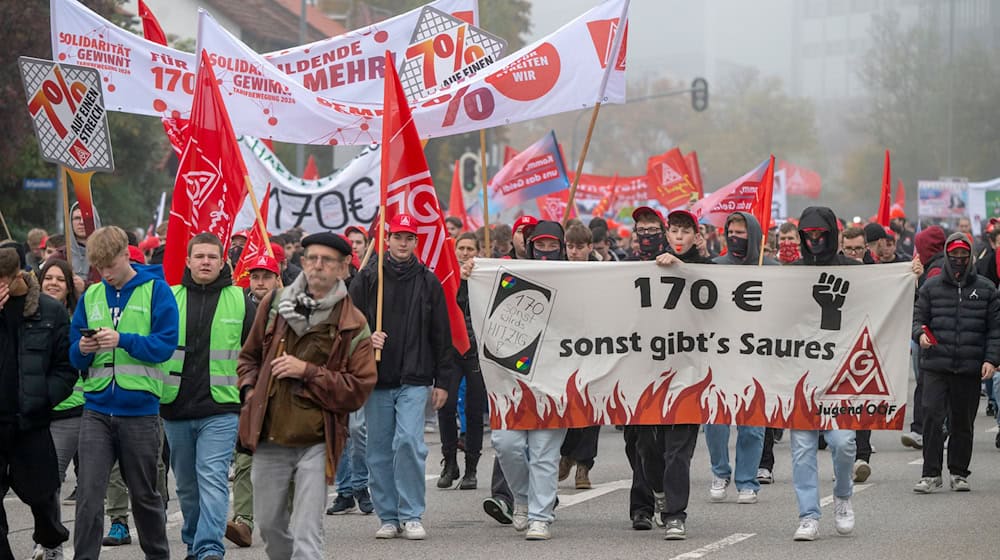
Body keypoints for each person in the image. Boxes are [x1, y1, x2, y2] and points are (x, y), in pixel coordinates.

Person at [238, 231, 377, 558]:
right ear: (302, 263)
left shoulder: (353, 323)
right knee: (270, 525)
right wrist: (249, 392)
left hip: (317, 439)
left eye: (327, 261)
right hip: (269, 433)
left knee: (306, 532)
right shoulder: (275, 304)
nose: (318, 266)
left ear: (344, 268)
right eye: (312, 258)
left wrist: (308, 371)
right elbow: (248, 357)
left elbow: (359, 388)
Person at [69, 225, 178, 560]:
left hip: (141, 411)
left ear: (124, 255)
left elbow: (165, 345)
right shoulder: (91, 295)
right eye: (98, 268)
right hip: (97, 409)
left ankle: (157, 556)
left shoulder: (157, 291)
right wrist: (84, 347)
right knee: (88, 495)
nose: (105, 274)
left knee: (145, 495)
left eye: (109, 266)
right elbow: (72, 353)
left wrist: (123, 340)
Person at [349, 214, 457, 540]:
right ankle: (388, 515)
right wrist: (367, 338)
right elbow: (347, 328)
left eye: (409, 237)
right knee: (379, 450)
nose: (402, 243)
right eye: (398, 236)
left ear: (415, 242)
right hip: (378, 378)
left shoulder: (428, 281)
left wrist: (444, 381)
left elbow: (442, 333)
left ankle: (411, 514)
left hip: (415, 377)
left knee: (409, 441)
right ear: (387, 239)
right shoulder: (367, 279)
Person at [160, 233, 252, 560]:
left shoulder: (242, 300)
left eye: (212, 257)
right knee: (187, 487)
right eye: (199, 256)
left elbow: (256, 353)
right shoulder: (169, 298)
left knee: (211, 479)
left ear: (223, 261)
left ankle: (209, 549)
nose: (205, 262)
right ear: (187, 261)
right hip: (175, 407)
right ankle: (192, 543)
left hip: (222, 408)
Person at [491, 220, 569, 541]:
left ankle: (540, 516)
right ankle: (522, 498)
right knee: (505, 443)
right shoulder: (508, 273)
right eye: (542, 245)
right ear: (531, 245)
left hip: (556, 376)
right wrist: (471, 275)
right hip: (513, 375)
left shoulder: (577, 278)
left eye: (553, 246)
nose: (547, 252)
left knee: (544, 451)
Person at [786, 207, 857, 541]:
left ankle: (842, 496)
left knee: (843, 443)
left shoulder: (856, 272)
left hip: (842, 373)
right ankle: (808, 515)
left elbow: (886, 297)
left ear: (831, 233)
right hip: (801, 374)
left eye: (820, 235)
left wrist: (910, 275)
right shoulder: (791, 273)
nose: (814, 241)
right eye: (808, 235)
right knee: (801, 449)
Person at [0, 248, 76, 560]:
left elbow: (66, 367)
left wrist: (43, 397)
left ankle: (50, 536)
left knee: (43, 495)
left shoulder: (48, 311)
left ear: (19, 276)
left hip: (30, 421)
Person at [641, 209, 713, 541]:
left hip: (692, 373)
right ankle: (658, 491)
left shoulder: (710, 270)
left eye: (686, 231)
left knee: (678, 449)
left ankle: (675, 514)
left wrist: (683, 269)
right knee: (648, 447)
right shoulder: (648, 267)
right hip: (651, 372)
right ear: (667, 235)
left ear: (696, 237)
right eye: (675, 231)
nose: (679, 237)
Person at [912, 233, 999, 493]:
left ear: (970, 256)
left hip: (970, 367)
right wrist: (920, 334)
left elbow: (995, 330)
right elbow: (917, 319)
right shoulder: (931, 287)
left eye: (963, 255)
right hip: (936, 365)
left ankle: (959, 472)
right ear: (947, 256)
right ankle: (930, 473)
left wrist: (991, 360)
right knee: (932, 418)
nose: (959, 260)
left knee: (963, 422)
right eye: (954, 255)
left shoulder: (986, 290)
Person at [704, 212, 769, 505]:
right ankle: (720, 471)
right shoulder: (715, 267)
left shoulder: (772, 269)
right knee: (715, 422)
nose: (734, 237)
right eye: (731, 231)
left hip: (756, 358)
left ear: (753, 235)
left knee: (752, 426)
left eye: (741, 233)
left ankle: (747, 479)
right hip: (719, 358)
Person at [435, 233, 487, 491]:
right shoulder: (446, 277)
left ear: (478, 251)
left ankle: (472, 468)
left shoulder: (486, 276)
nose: (465, 253)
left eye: (470, 249)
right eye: (461, 248)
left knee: (474, 410)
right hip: (451, 350)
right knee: (445, 406)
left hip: (476, 351)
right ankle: (450, 462)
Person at [558, 225, 600, 490]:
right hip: (565, 348)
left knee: (593, 407)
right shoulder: (557, 270)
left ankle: (584, 464)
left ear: (589, 248)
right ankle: (568, 453)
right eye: (570, 247)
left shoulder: (603, 272)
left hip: (596, 347)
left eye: (579, 247)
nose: (574, 252)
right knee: (569, 404)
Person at [901, 226, 947, 450]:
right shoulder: (935, 266)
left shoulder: (935, 270)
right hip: (927, 335)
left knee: (929, 385)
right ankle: (922, 428)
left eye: (920, 248)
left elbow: (929, 304)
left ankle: (925, 429)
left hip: (932, 337)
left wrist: (918, 282)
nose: (916, 253)